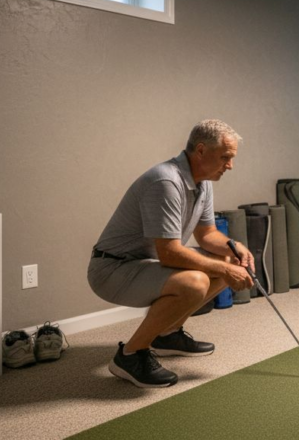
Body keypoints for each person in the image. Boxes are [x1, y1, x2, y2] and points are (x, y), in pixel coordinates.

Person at [88, 119, 254, 388]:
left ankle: (167, 334)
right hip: (112, 270)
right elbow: (169, 254)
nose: (230, 165)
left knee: (226, 259)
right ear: (200, 150)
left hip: (145, 264)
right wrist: (225, 270)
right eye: (225, 157)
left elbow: (208, 235)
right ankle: (129, 356)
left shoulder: (203, 182)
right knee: (197, 281)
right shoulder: (165, 181)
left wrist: (235, 248)